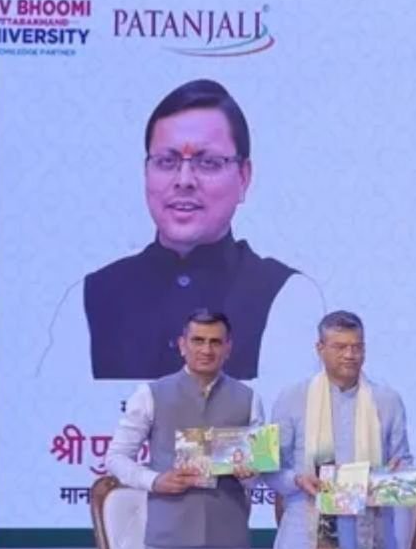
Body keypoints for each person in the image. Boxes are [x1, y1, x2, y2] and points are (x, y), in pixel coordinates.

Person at [39, 78, 323, 382]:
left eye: (208, 162)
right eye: (166, 161)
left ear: (243, 177)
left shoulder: (287, 297)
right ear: (146, 172)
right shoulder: (89, 298)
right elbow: (55, 407)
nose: (184, 180)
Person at [105, 309, 264, 549]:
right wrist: (155, 480)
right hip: (170, 541)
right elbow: (116, 457)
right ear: (182, 345)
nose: (206, 349)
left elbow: (257, 474)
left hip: (227, 542)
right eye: (198, 340)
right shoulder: (150, 394)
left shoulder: (248, 399)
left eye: (215, 342)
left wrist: (250, 473)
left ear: (228, 348)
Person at [265, 311, 412, 549]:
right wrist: (297, 480)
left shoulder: (387, 401)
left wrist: (393, 480)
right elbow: (269, 467)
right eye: (340, 347)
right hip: (307, 534)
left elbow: (403, 464)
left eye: (357, 347)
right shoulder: (292, 398)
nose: (350, 355)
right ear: (320, 349)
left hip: (370, 532)